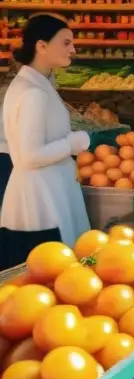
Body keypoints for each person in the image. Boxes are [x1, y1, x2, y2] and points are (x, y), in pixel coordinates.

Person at [0, 14, 90, 267]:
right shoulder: (32, 93)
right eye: (65, 42)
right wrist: (73, 143)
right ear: (41, 46)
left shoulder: (36, 85)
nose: (73, 49)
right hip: (41, 200)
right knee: (49, 272)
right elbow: (30, 155)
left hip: (48, 190)